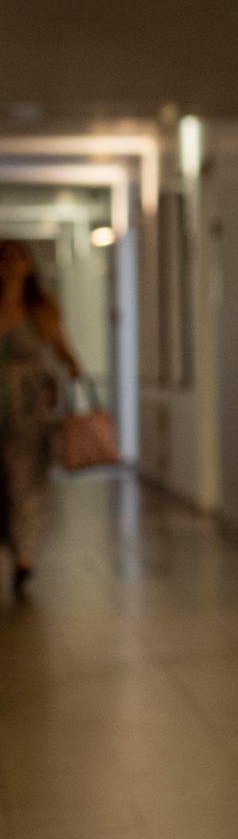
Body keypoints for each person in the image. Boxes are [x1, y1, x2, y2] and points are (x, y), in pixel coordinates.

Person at [0, 241, 74, 600]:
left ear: (28, 266)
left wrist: (65, 375)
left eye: (17, 259)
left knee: (26, 480)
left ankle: (25, 554)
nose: (11, 267)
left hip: (29, 408)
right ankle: (13, 543)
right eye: (5, 260)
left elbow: (62, 349)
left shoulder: (40, 308)